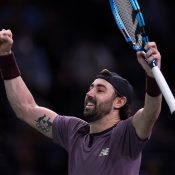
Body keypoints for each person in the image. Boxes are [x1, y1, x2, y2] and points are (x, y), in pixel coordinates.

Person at [0, 29, 162, 175]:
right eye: (91, 88)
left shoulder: (126, 135)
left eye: (100, 90)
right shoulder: (74, 130)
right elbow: (25, 108)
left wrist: (152, 76)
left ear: (119, 102)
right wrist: (6, 55)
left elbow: (150, 112)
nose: (90, 93)